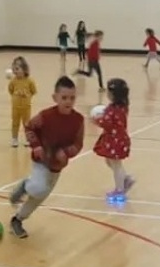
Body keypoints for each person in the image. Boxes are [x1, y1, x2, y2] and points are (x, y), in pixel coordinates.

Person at [8, 76, 85, 239]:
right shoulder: (46, 116)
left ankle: (17, 220)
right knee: (38, 188)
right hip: (41, 162)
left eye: (72, 98)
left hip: (57, 167)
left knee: (39, 198)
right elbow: (29, 127)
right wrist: (36, 145)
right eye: (64, 97)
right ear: (55, 98)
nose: (68, 101)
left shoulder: (78, 120)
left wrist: (67, 152)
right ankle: (25, 185)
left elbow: (78, 144)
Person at [92, 78, 134, 200]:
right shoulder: (122, 107)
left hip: (115, 140)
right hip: (117, 139)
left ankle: (120, 190)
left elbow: (108, 124)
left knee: (116, 165)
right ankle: (125, 179)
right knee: (110, 162)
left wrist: (97, 120)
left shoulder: (113, 109)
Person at [8, 56, 36, 148]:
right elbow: (10, 90)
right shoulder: (13, 81)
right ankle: (14, 139)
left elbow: (33, 91)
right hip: (15, 107)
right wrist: (16, 96)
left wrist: (27, 96)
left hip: (26, 107)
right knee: (15, 123)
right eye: (14, 69)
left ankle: (28, 139)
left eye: (17, 69)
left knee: (27, 124)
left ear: (24, 69)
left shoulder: (29, 81)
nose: (15, 71)